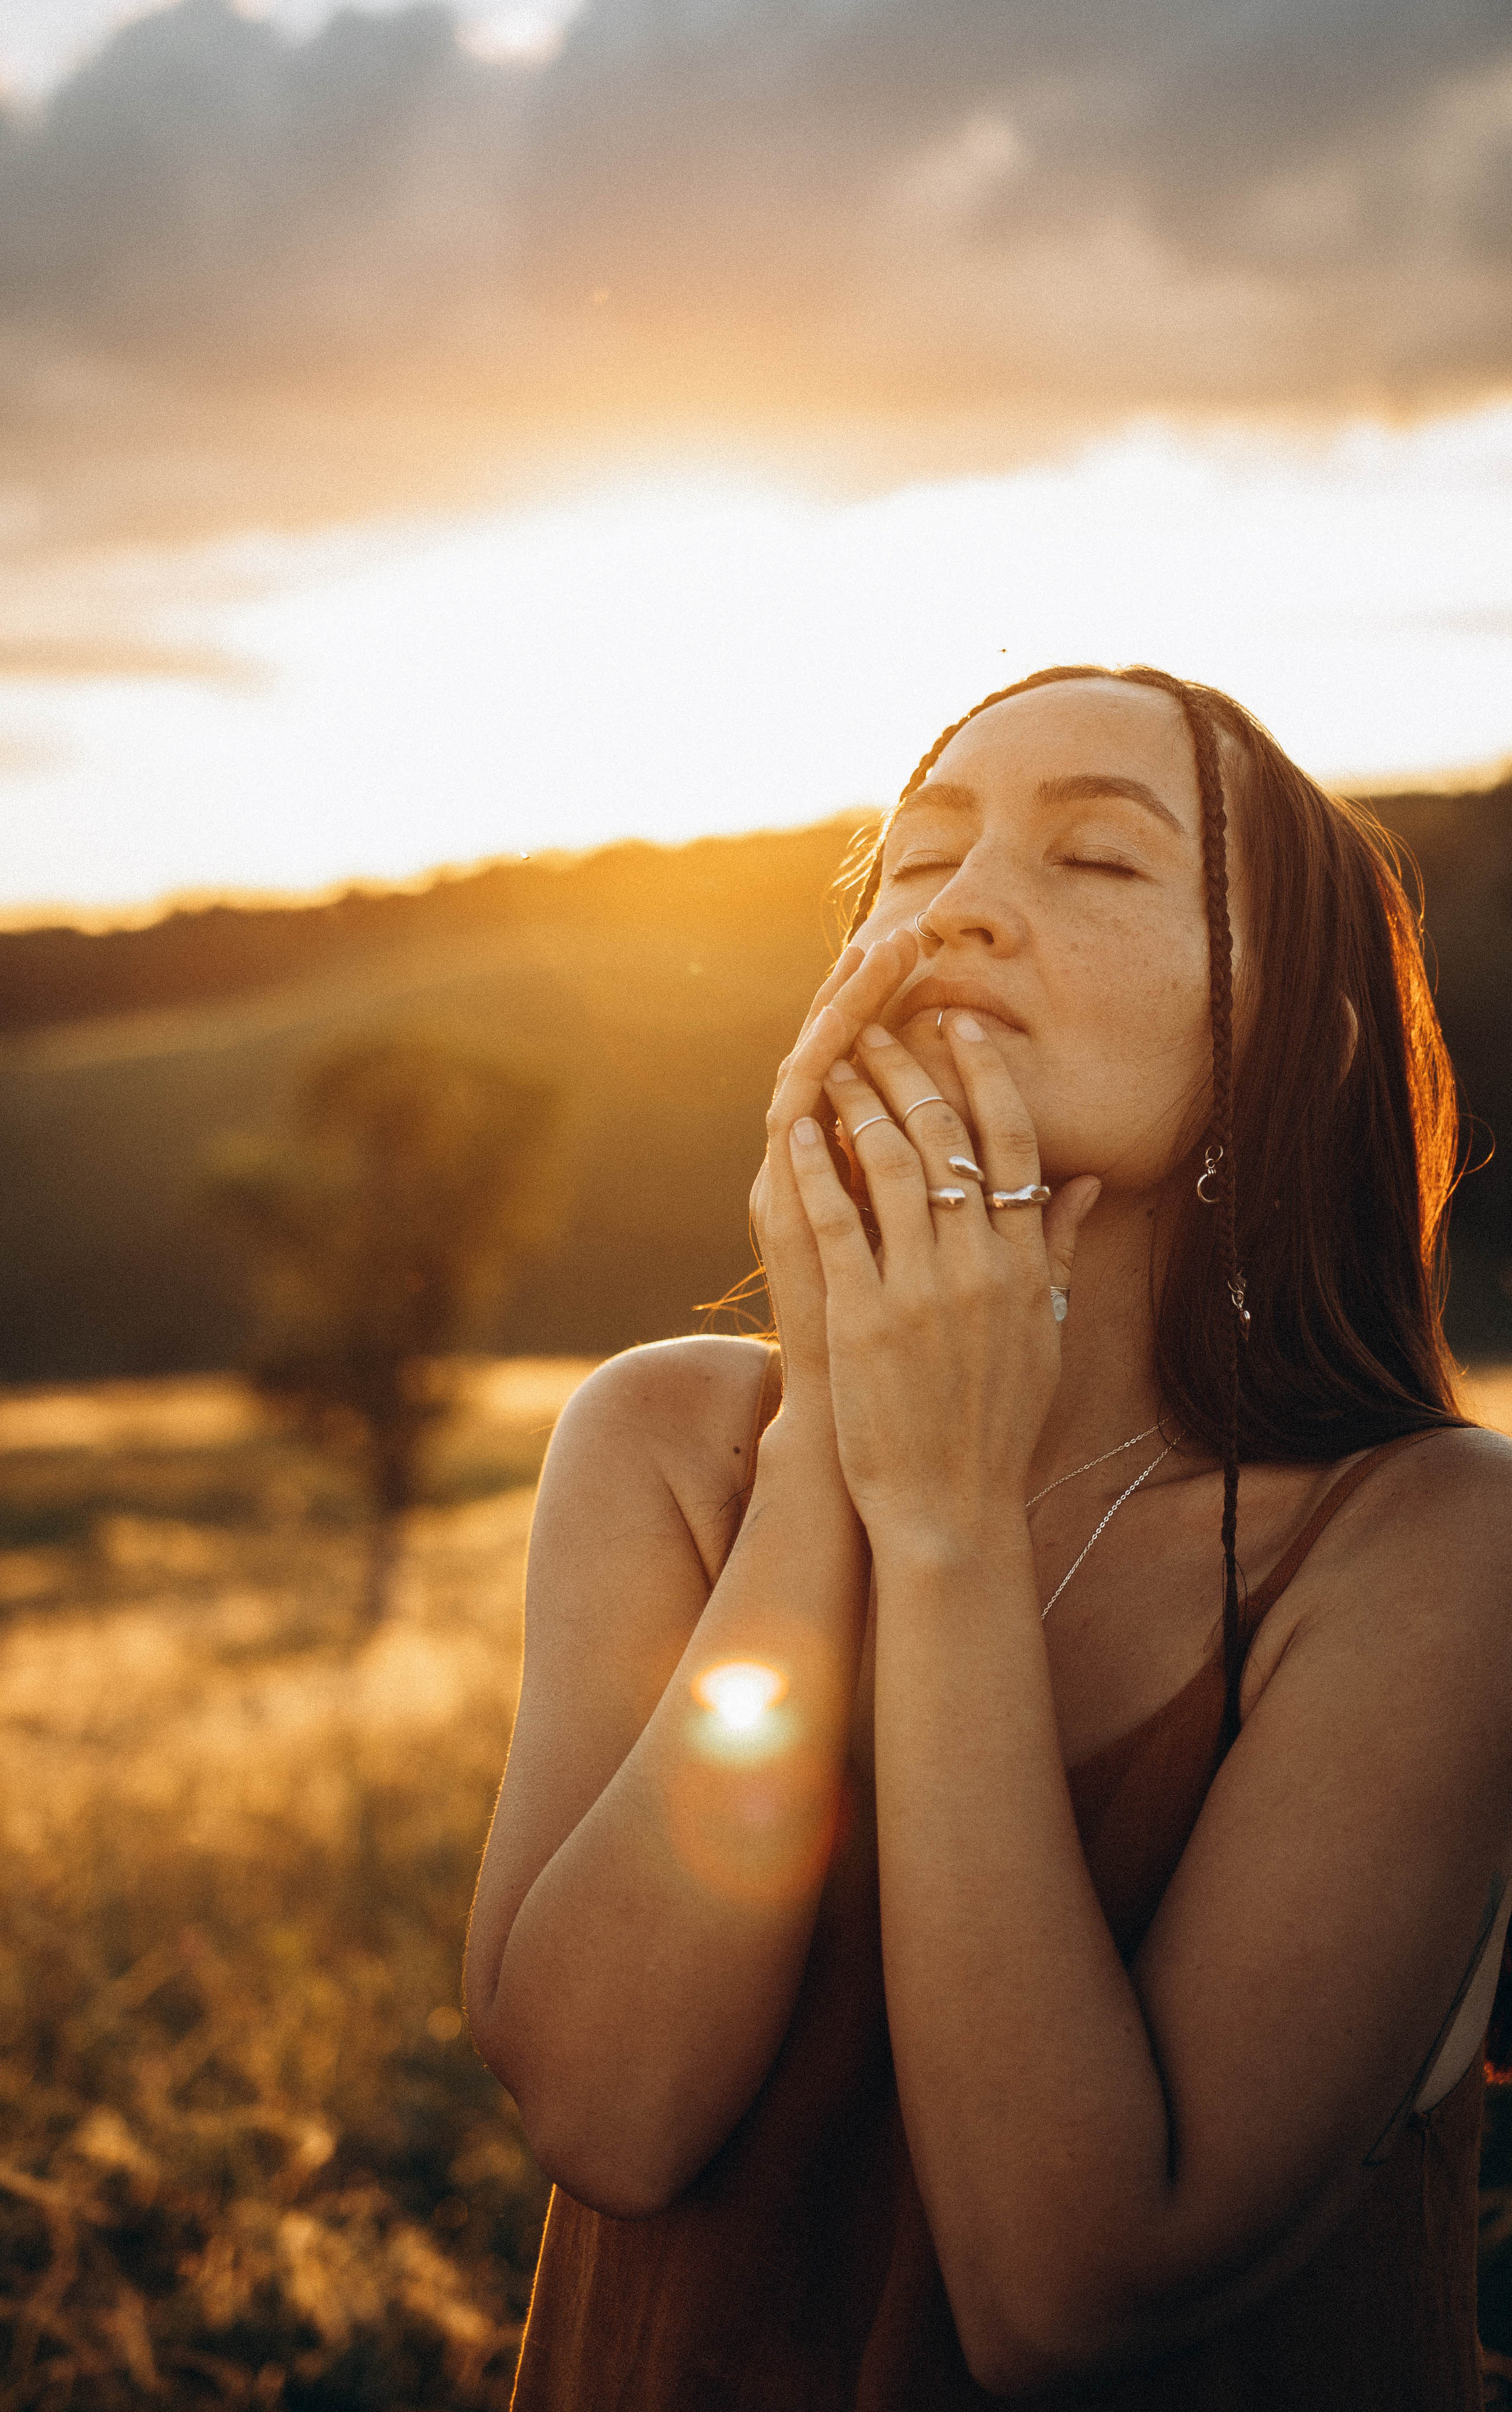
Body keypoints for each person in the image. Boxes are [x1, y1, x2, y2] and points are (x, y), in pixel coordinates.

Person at [464, 664, 1512, 2407]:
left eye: (1097, 864)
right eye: (916, 858)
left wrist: (944, 1533)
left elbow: (1072, 2292)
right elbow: (609, 2114)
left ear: (1292, 1043)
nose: (960, 912)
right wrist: (831, 1466)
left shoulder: (1431, 1544)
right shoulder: (668, 1442)